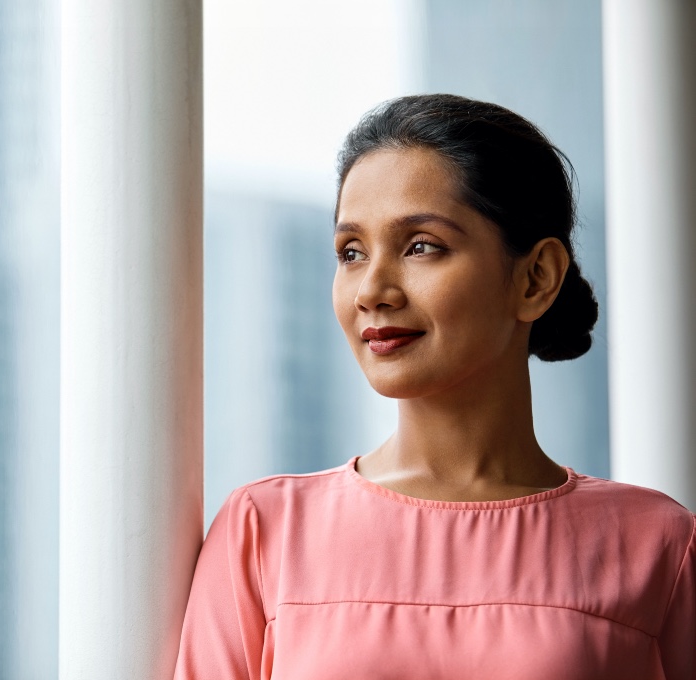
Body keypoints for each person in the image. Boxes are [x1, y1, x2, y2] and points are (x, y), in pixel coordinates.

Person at [173, 94, 695, 679]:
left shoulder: (660, 545)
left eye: (421, 246)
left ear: (535, 278)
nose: (372, 289)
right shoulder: (263, 532)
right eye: (351, 252)